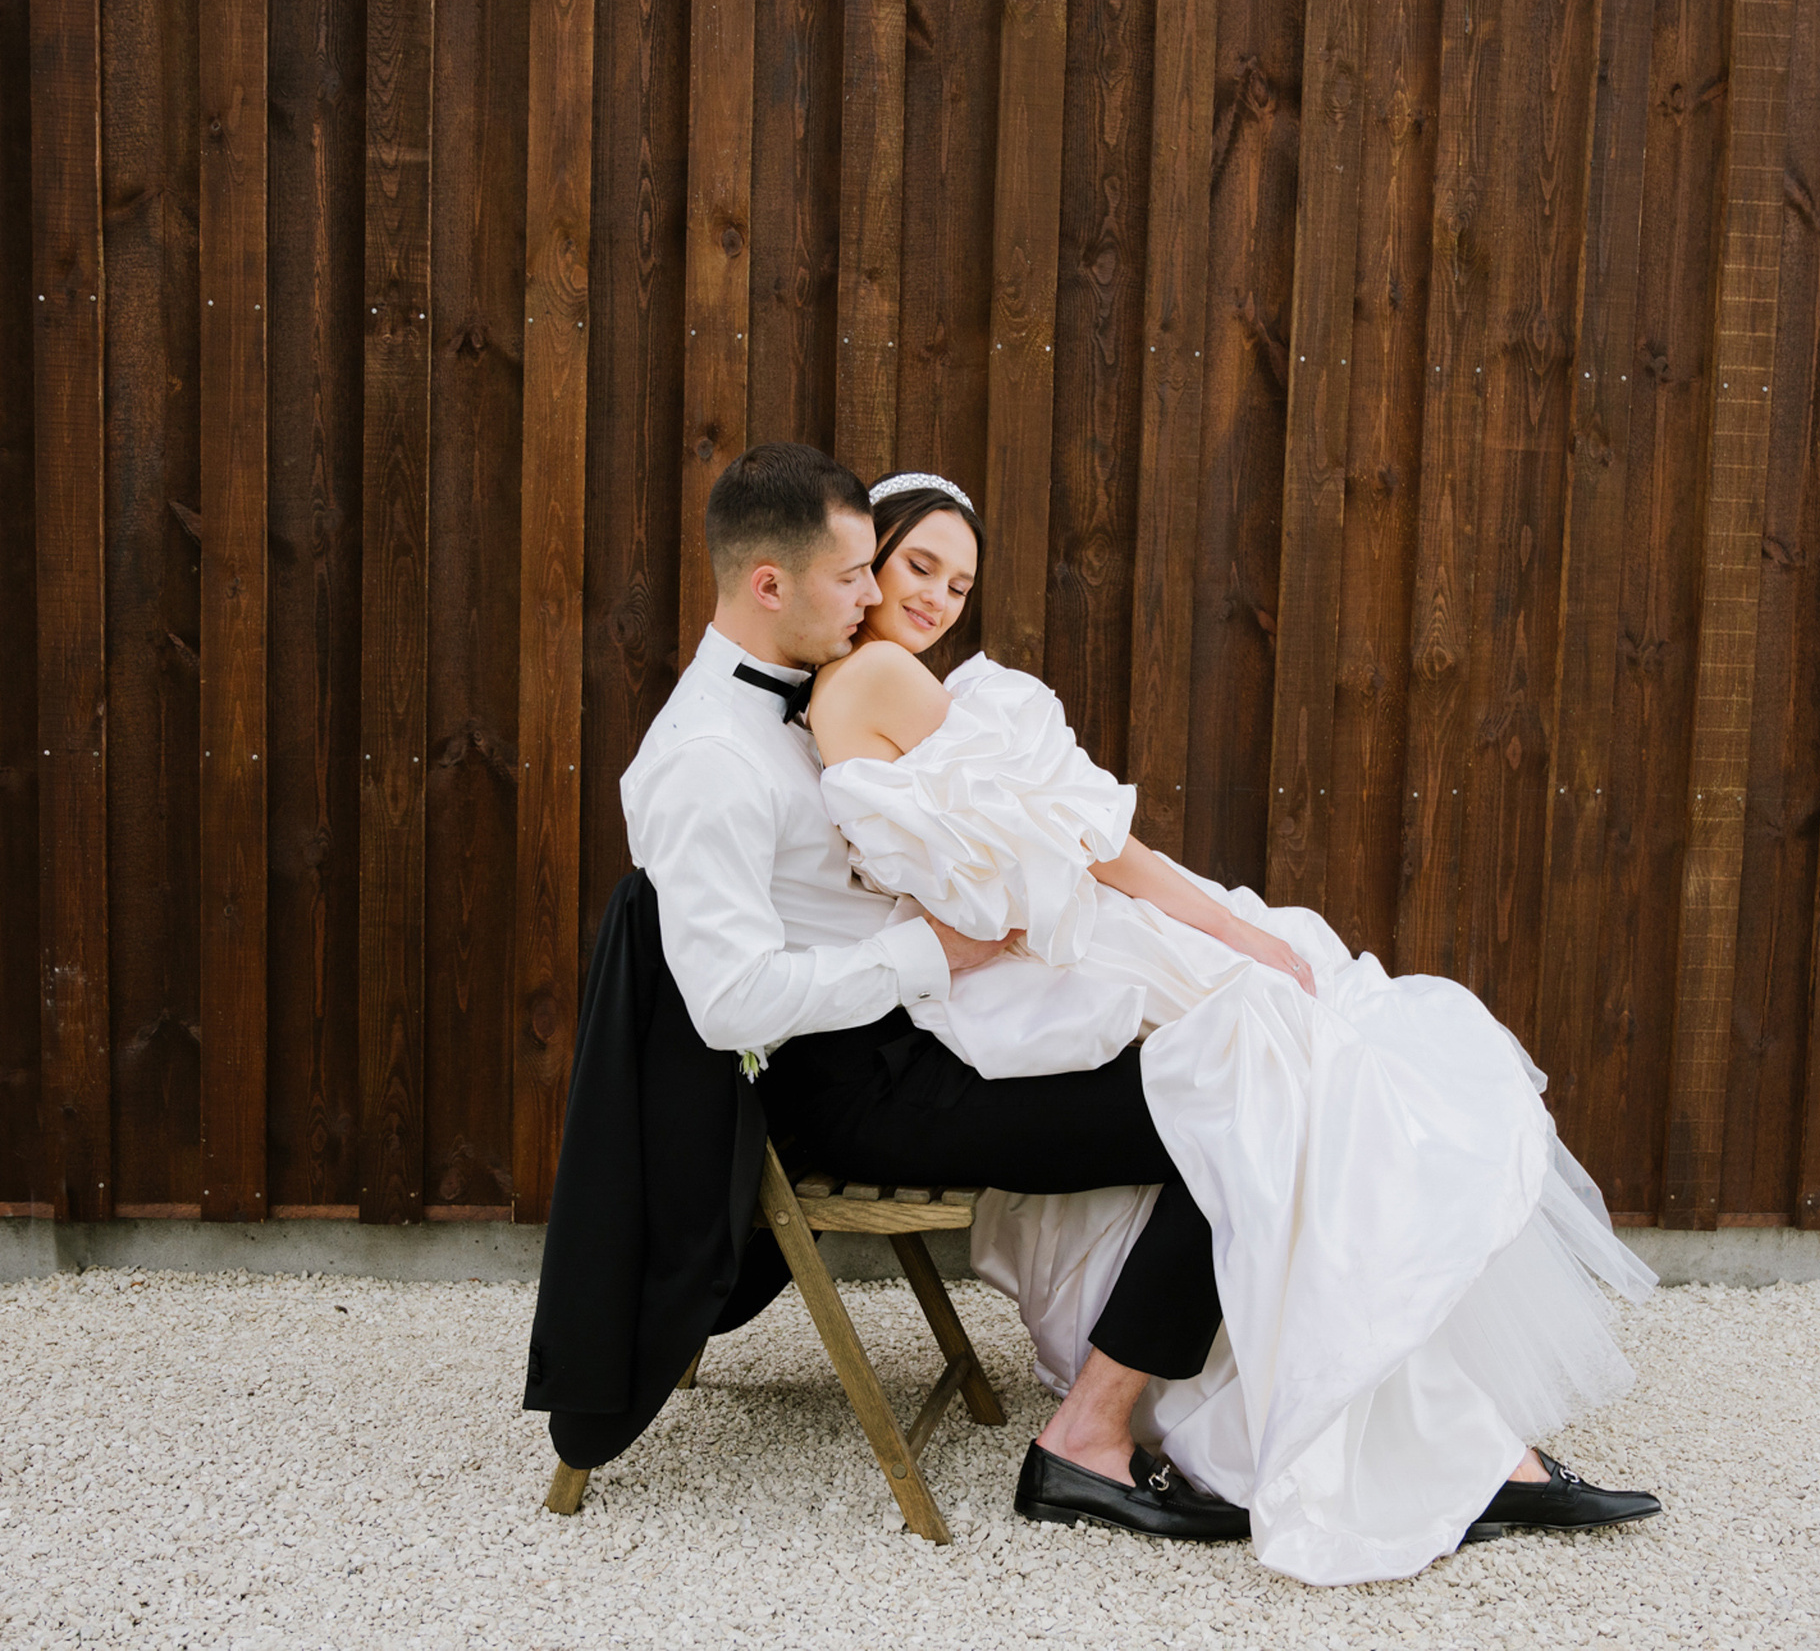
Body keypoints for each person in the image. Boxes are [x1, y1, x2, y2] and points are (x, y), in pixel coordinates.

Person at [802, 466, 1664, 1585]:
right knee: (1300, 1072)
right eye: (918, 565)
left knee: (1311, 1082)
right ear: (867, 560)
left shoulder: (868, 684)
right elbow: (1087, 844)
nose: (936, 599)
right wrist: (1235, 932)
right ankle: (1436, 1442)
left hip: (1011, 976)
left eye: (959, 583)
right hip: (1031, 971)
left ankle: (1464, 1437)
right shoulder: (880, 676)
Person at [618, 442, 1247, 1542]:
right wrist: (933, 953)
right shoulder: (708, 758)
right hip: (865, 1091)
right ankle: (1086, 1442)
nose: (881, 599)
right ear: (772, 584)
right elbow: (728, 1003)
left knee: (1240, 1055)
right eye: (862, 572)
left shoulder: (804, 699)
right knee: (1232, 1111)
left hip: (919, 1045)